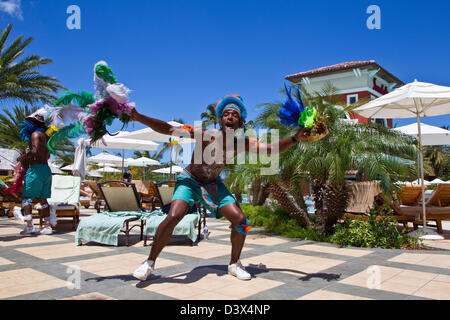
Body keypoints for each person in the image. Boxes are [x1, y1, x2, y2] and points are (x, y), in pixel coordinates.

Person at [132, 95, 309, 281]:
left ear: (241, 123)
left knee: (241, 221)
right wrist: (139, 117)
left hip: (213, 185)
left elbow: (271, 148)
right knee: (174, 215)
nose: (230, 117)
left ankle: (234, 264)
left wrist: (295, 138)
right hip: (190, 181)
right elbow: (169, 129)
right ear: (220, 120)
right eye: (226, 114)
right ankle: (149, 262)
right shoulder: (204, 134)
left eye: (234, 115)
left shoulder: (242, 144)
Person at [16, 109, 55, 235]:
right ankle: (48, 227)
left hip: (36, 170)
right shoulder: (46, 137)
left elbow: (35, 151)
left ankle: (29, 226)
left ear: (33, 123)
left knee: (27, 198)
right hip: (46, 170)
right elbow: (47, 155)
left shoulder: (35, 134)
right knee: (43, 200)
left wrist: (23, 157)